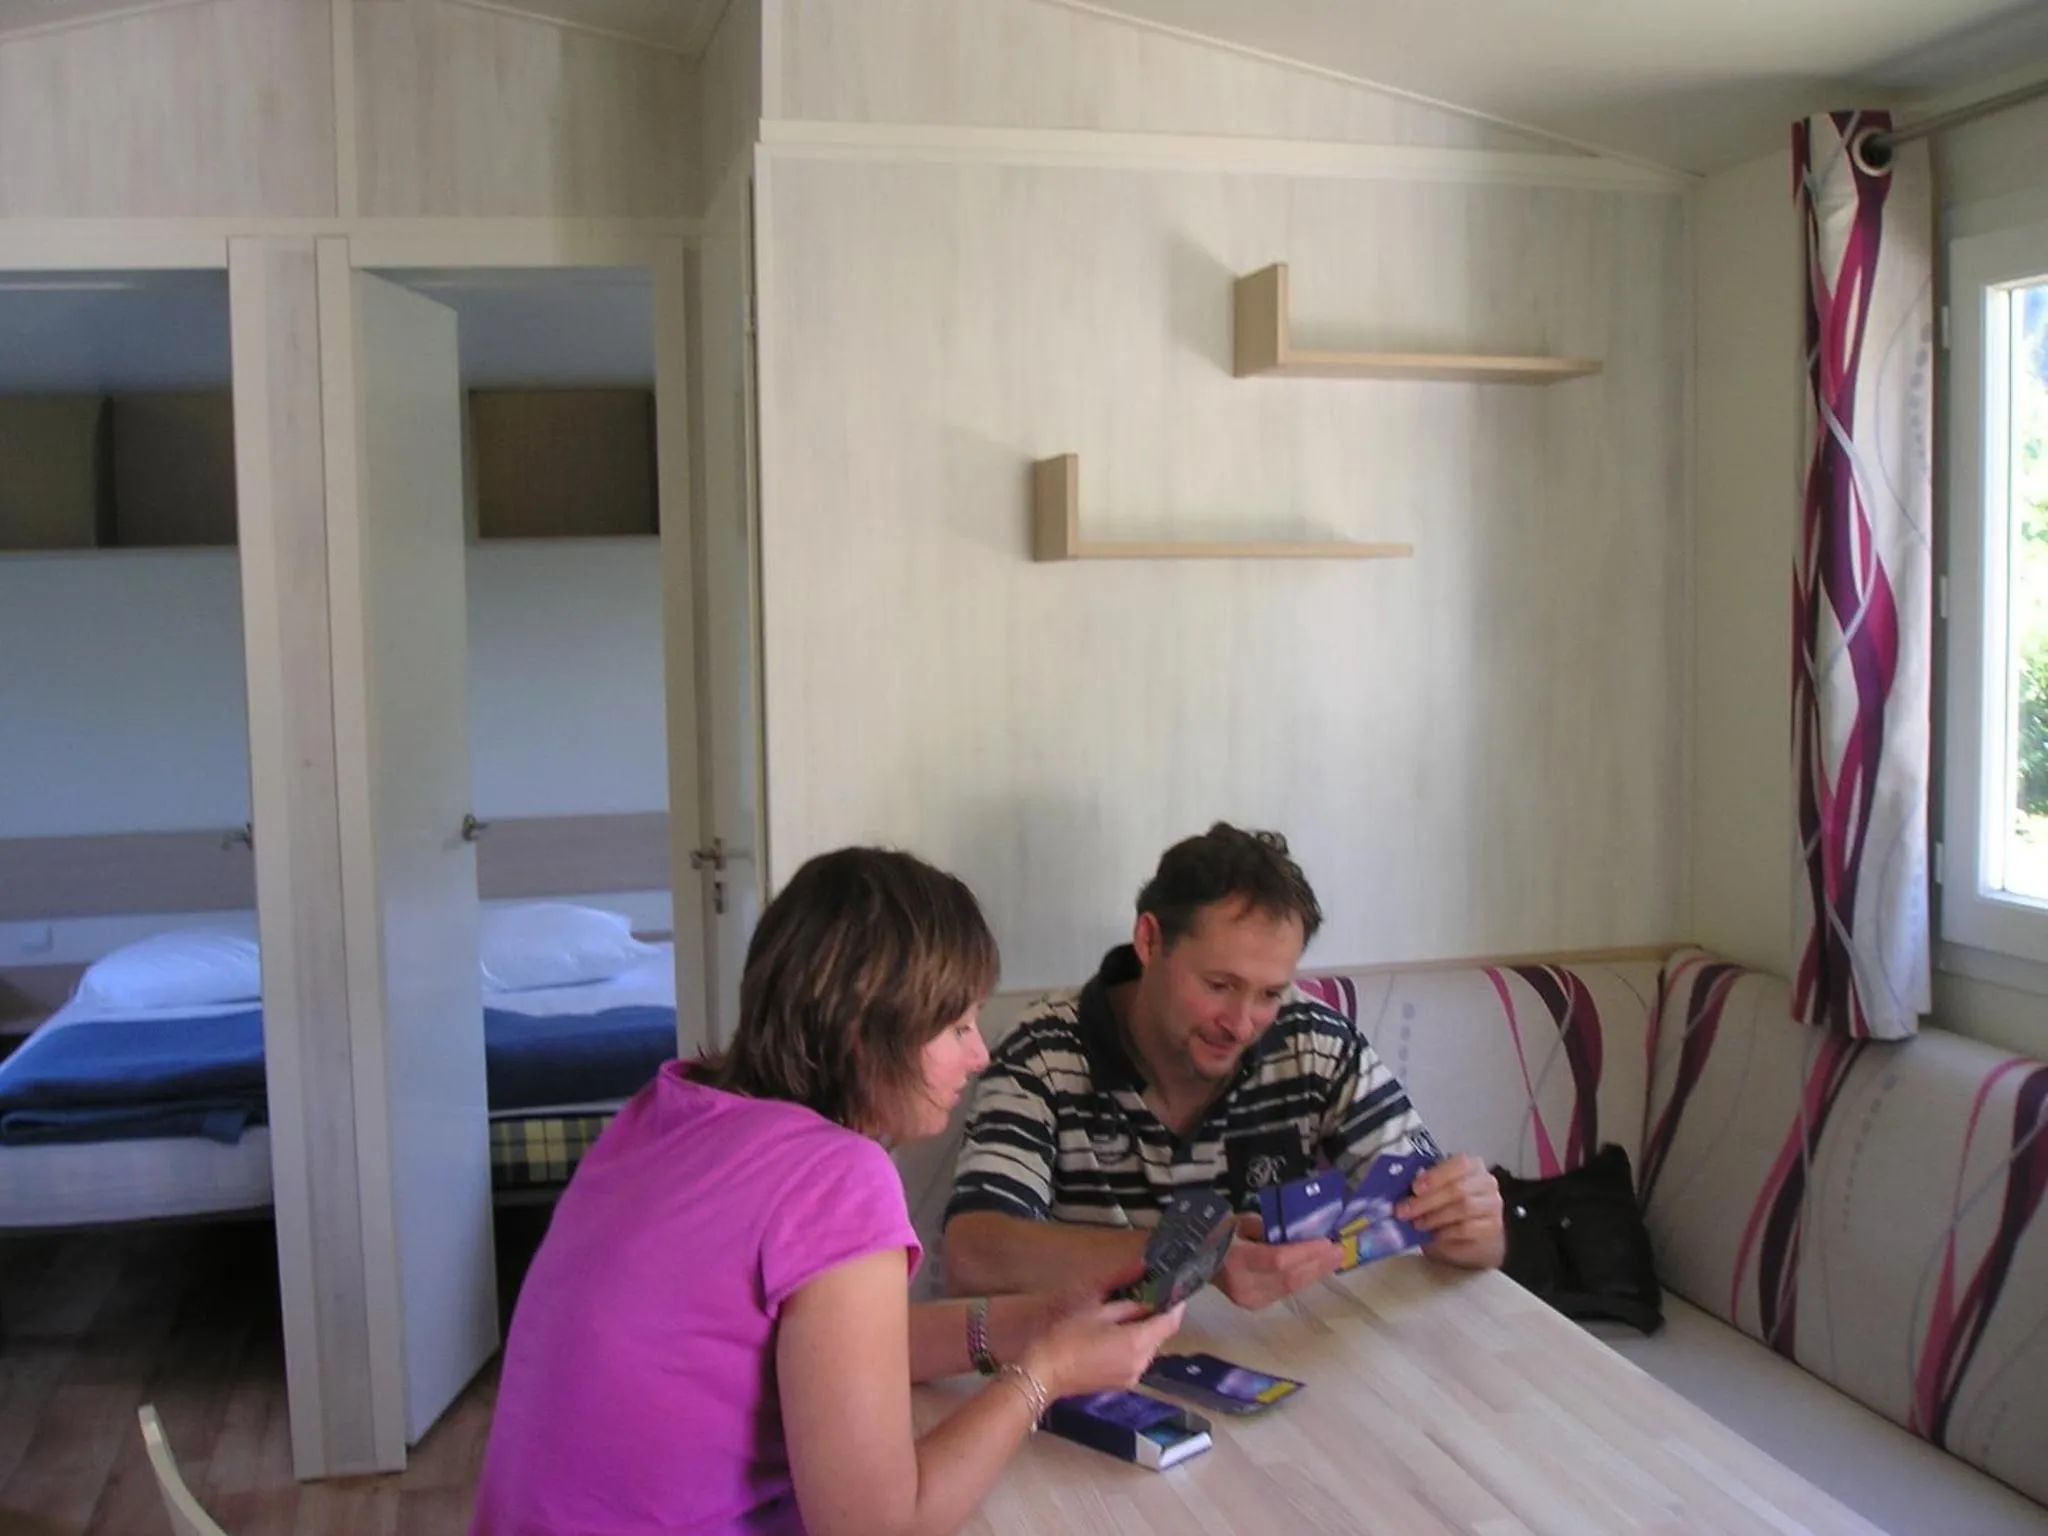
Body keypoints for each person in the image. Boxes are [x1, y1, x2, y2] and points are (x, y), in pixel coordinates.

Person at [472, 847, 1185, 1536]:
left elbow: (832, 1354)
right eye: (957, 1024)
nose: (980, 1054)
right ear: (863, 1032)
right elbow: (879, 1524)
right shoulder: (835, 1176)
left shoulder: (666, 1110)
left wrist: (1031, 1325)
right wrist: (1046, 1374)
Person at [943, 823, 1505, 1310]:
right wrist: (1192, 1251)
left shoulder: (1315, 1042)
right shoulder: (1041, 1053)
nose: (1241, 1023)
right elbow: (974, 1252)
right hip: (1094, 1374)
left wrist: (1469, 1221)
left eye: (1268, 994)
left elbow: (1461, 1235)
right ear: (1149, 939)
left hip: (1288, 1364)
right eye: (1219, 985)